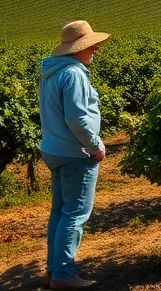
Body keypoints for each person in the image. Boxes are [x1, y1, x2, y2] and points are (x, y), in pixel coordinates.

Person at [39, 21, 110, 289]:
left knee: (60, 212)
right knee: (75, 215)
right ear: (77, 48)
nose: (95, 49)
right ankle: (64, 277)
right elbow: (78, 118)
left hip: (53, 148)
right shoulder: (74, 74)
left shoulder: (51, 72)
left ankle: (52, 271)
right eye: (91, 45)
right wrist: (95, 146)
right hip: (75, 153)